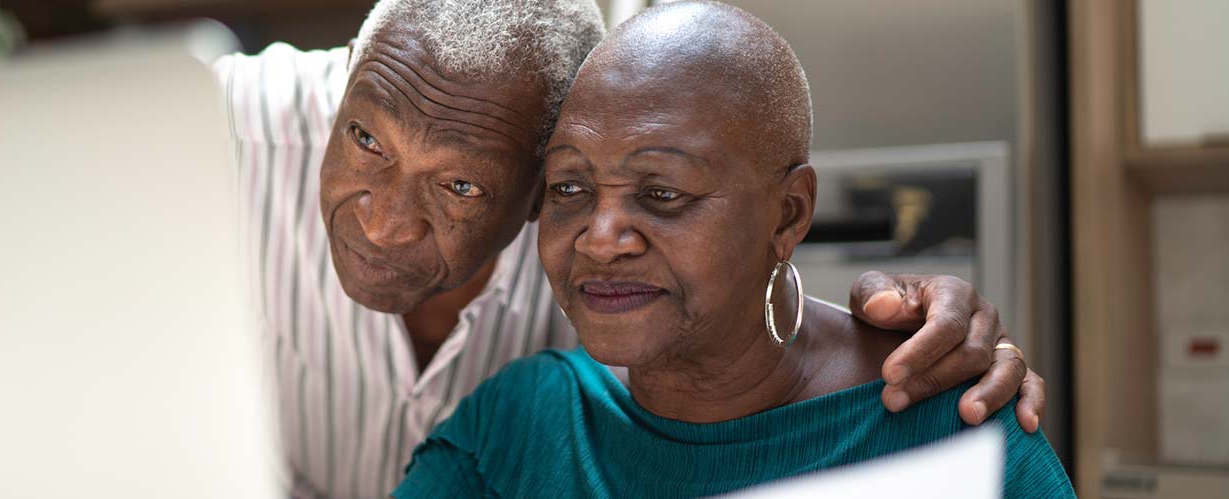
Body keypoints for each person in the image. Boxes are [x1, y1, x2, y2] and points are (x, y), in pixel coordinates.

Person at [211, 1, 1047, 496]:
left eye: (661, 194)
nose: (602, 238)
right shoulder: (524, 420)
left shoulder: (955, 422)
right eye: (575, 189)